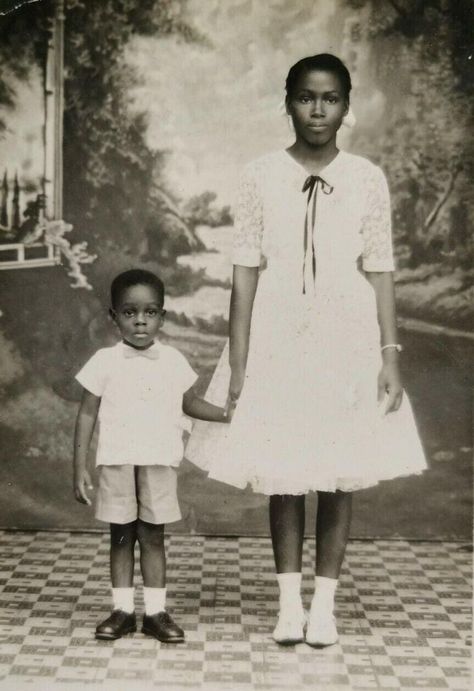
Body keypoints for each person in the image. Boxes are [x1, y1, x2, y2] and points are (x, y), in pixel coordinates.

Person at [186, 54, 426, 647]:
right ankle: (288, 605)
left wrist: (389, 352)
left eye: (330, 98)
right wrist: (239, 359)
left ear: (346, 105)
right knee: (284, 470)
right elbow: (244, 271)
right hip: (277, 330)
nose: (317, 109)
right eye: (305, 97)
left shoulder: (368, 178)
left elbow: (382, 268)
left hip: (347, 333)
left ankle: (326, 606)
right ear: (287, 101)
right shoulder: (260, 174)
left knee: (339, 471)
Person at [73, 268, 226, 642]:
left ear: (162, 316)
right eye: (129, 312)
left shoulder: (173, 360)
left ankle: (156, 613)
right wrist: (79, 465)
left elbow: (189, 403)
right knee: (121, 537)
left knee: (153, 536)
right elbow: (87, 413)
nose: (140, 320)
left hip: (158, 460)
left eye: (150, 312)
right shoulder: (104, 361)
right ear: (113, 316)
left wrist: (227, 415)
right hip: (117, 461)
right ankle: (122, 611)